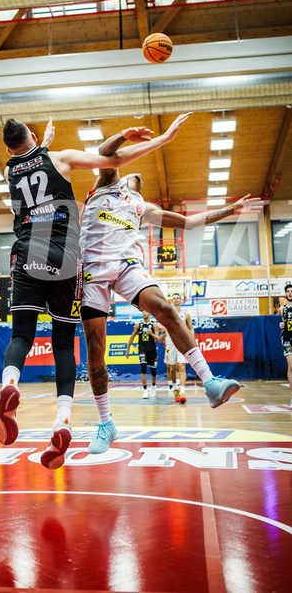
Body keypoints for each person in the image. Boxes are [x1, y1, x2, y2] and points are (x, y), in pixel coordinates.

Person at [0, 114, 188, 469]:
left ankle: (9, 382)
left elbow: (29, 161)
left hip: (25, 252)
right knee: (63, 342)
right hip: (64, 256)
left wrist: (43, 144)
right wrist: (164, 138)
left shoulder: (10, 171)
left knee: (21, 335)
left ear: (9, 149)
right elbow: (113, 161)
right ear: (34, 135)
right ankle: (62, 420)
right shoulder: (60, 157)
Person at [80, 125, 265, 454]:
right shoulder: (106, 182)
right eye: (128, 171)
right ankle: (106, 423)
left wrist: (229, 211)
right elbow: (106, 152)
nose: (132, 174)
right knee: (95, 350)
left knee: (166, 309)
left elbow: (190, 222)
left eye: (137, 176)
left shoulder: (143, 208)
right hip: (92, 269)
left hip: (126, 265)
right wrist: (125, 134)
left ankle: (210, 383)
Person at [162, 292, 193, 404]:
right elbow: (161, 326)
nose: (176, 299)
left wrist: (192, 341)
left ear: (181, 300)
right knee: (172, 368)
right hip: (170, 343)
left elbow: (191, 328)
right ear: (172, 301)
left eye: (177, 298)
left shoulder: (186, 314)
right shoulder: (168, 313)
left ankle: (183, 393)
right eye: (174, 298)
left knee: (182, 366)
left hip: (182, 343)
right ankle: (176, 389)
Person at [125, 310, 165, 398]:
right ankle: (145, 390)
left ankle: (153, 387)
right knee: (143, 368)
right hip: (142, 350)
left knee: (153, 371)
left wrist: (151, 334)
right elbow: (132, 336)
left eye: (146, 312)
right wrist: (127, 349)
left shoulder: (154, 324)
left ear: (149, 313)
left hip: (152, 350)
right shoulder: (138, 325)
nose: (145, 313)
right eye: (143, 312)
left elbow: (158, 339)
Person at [279, 282, 292, 406]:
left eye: (291, 291)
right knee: (291, 367)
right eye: (288, 291)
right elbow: (285, 323)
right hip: (288, 338)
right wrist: (282, 325)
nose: (290, 293)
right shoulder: (283, 308)